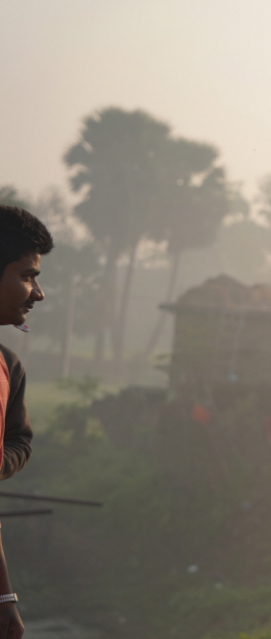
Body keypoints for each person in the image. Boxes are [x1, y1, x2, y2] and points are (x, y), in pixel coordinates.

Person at [0, 204, 53, 639]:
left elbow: (19, 441)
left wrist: (4, 598)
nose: (38, 293)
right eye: (27, 276)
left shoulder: (7, 367)